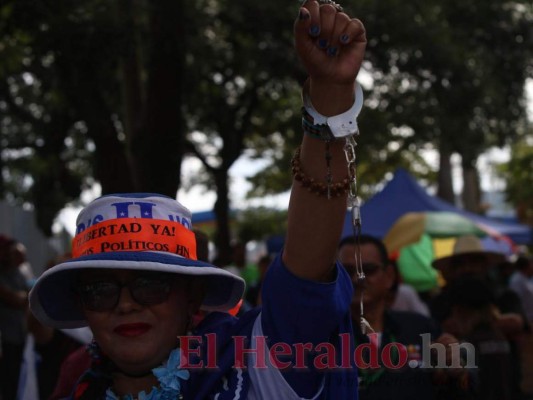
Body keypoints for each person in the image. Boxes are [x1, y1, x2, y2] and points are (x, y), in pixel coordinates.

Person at [29, 2, 366, 399]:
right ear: (82, 307)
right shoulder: (75, 386)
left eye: (150, 284)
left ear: (191, 298)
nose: (125, 305)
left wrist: (329, 97)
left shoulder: (252, 368)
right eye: (100, 290)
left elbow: (303, 281)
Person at [337, 235, 465, 400]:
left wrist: (456, 372)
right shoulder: (322, 335)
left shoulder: (421, 330)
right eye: (347, 271)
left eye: (368, 270)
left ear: (389, 276)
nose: (357, 278)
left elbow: (456, 392)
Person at [430, 235, 529, 400]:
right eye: (461, 263)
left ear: (485, 264)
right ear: (453, 269)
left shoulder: (503, 294)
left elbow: (518, 323)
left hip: (506, 385)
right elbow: (437, 334)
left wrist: (471, 322)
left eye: (474, 261)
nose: (468, 268)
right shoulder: (442, 300)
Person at [0, 238, 30, 400]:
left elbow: (28, 296)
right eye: (12, 252)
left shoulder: (17, 272)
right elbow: (15, 299)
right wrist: (23, 297)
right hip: (6, 339)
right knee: (8, 381)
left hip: (20, 336)